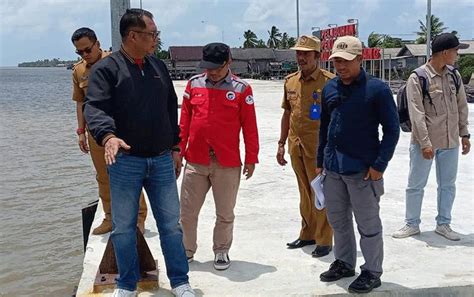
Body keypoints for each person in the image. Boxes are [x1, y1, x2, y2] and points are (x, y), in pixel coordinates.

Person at [83, 9, 194, 297]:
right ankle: (126, 284)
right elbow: (94, 108)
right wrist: (107, 136)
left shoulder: (158, 67)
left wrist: (175, 146)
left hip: (160, 161)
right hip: (125, 163)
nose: (156, 39)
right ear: (133, 36)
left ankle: (181, 281)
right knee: (123, 227)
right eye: (152, 34)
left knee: (171, 225)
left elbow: (171, 108)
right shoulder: (105, 71)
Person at [316, 36, 400, 294]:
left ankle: (372, 271)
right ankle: (343, 263)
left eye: (346, 61)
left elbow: (392, 130)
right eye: (337, 61)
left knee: (368, 225)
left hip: (363, 170)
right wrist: (320, 162)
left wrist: (379, 165)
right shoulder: (330, 89)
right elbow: (324, 128)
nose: (340, 66)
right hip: (333, 169)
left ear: (360, 59)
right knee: (338, 221)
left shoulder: (377, 90)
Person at [179, 43, 259, 270]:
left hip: (227, 162)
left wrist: (252, 157)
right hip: (195, 159)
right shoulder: (193, 84)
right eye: (208, 67)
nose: (211, 72)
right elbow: (184, 122)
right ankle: (186, 250)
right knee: (187, 212)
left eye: (216, 67)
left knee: (225, 212)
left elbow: (249, 127)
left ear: (228, 62)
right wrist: (178, 150)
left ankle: (221, 250)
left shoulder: (242, 89)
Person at [393, 33, 470, 241]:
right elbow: (417, 115)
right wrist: (426, 144)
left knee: (448, 185)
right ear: (445, 53)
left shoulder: (454, 75)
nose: (458, 55)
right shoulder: (418, 78)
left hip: (451, 140)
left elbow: (462, 106)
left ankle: (443, 224)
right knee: (416, 184)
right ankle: (411, 224)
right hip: (424, 143)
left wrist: (464, 134)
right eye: (456, 51)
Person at [71, 27, 148, 235]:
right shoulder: (79, 71)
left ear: (97, 44)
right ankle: (109, 217)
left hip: (120, 130)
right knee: (103, 177)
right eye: (80, 53)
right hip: (96, 133)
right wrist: (81, 131)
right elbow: (81, 103)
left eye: (87, 50)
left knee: (130, 173)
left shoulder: (117, 63)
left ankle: (139, 218)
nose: (85, 55)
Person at [277, 35, 334, 257]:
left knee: (321, 194)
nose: (301, 58)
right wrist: (281, 143)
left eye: (306, 54)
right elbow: (287, 113)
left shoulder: (329, 82)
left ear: (317, 56)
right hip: (296, 146)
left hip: (319, 149)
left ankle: (324, 240)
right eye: (298, 53)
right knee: (304, 193)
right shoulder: (290, 81)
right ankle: (307, 233)